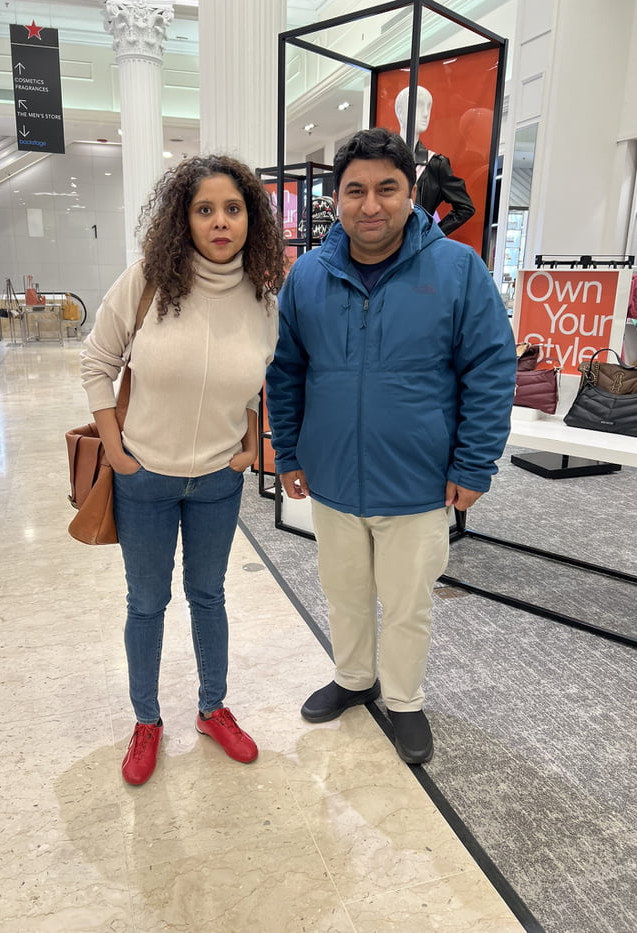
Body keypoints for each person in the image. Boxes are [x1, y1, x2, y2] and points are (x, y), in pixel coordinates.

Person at [266, 128, 516, 765]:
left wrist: (474, 462)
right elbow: (286, 370)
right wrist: (288, 453)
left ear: (412, 194)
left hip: (419, 477)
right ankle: (355, 678)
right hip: (332, 477)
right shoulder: (309, 276)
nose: (369, 205)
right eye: (355, 191)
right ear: (336, 199)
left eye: (387, 189)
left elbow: (490, 367)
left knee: (407, 603)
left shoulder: (457, 269)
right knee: (344, 590)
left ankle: (404, 700)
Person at [81, 154, 285, 785]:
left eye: (233, 208)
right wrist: (116, 451)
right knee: (147, 603)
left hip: (218, 483)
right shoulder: (148, 281)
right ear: (184, 219)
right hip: (145, 476)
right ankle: (147, 721)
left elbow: (258, 382)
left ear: (250, 218)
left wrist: (250, 446)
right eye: (205, 210)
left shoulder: (260, 298)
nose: (220, 221)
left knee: (209, 595)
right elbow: (96, 361)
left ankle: (212, 707)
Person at [394, 85, 475, 235]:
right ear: (400, 111)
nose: (425, 114)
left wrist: (432, 234)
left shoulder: (435, 164)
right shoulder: (382, 159)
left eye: (428, 107)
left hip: (417, 249)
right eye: (419, 106)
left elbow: (465, 208)